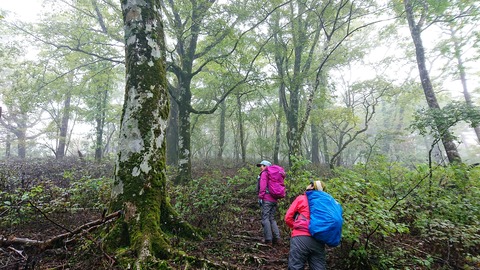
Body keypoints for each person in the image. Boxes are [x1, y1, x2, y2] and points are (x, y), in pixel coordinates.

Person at [284, 180, 327, 270]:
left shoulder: (302, 198)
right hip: (318, 239)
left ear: (312, 187)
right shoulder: (324, 202)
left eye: (310, 183)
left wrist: (297, 227)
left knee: (295, 266)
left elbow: (288, 217)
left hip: (300, 238)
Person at [256, 160, 281, 246]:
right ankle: (277, 239)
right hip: (274, 199)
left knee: (265, 218)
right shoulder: (273, 174)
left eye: (262, 165)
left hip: (266, 199)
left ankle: (268, 239)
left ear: (266, 166)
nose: (261, 167)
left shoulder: (265, 174)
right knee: (272, 218)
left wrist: (260, 197)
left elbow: (262, 187)